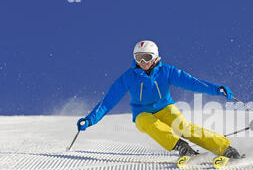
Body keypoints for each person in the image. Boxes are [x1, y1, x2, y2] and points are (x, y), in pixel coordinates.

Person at [77, 40, 241, 159]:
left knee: (183, 127)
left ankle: (225, 148)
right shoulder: (129, 77)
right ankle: (181, 147)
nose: (142, 62)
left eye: (146, 57)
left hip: (166, 108)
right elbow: (108, 101)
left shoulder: (167, 71)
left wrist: (216, 89)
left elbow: (192, 83)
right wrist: (90, 120)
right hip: (143, 113)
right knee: (145, 122)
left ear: (155, 58)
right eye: (138, 57)